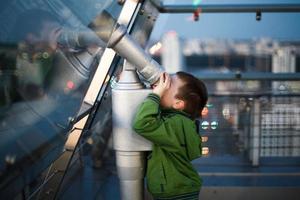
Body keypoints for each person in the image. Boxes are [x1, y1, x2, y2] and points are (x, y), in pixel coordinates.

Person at [133, 71, 208, 200]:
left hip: (175, 192)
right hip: (178, 190)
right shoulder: (179, 121)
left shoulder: (176, 124)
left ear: (178, 104)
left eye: (168, 84)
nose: (162, 85)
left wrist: (155, 95)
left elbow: (143, 123)